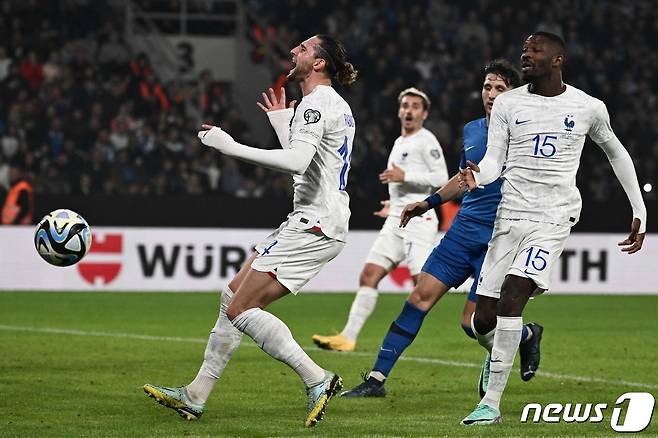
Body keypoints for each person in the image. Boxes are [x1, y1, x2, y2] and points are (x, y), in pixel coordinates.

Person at [143, 34, 358, 428]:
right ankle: (195, 395)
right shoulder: (332, 105)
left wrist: (229, 145)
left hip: (316, 222)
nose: (294, 51)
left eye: (304, 49)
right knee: (231, 296)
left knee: (243, 309)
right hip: (311, 217)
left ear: (319, 64)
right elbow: (310, 165)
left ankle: (318, 379)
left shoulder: (316, 103)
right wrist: (282, 123)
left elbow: (297, 162)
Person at [460, 32, 646, 425]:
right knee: (483, 321)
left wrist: (638, 206)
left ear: (558, 59)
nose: (526, 55)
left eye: (535, 51)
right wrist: (480, 174)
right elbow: (495, 161)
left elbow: (616, 151)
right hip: (510, 216)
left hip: (554, 216)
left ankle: (489, 404)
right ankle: (520, 340)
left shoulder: (587, 107)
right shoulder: (510, 103)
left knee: (514, 294)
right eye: (524, 50)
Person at [340, 60, 543, 399]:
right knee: (418, 297)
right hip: (463, 233)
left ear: (515, 95)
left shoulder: (526, 136)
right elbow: (463, 179)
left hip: (498, 240)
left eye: (500, 89)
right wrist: (428, 203)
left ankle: (524, 335)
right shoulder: (473, 130)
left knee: (473, 324)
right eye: (487, 87)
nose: (491, 95)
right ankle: (375, 380)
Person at [311, 87, 449, 352]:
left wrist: (405, 177)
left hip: (419, 220)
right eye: (405, 105)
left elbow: (442, 179)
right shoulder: (400, 142)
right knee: (369, 274)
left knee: (423, 286)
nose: (409, 110)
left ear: (424, 113)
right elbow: (403, 183)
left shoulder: (426, 140)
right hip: (397, 218)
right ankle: (348, 337)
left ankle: (467, 296)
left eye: (415, 106)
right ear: (399, 111)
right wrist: (393, 204)